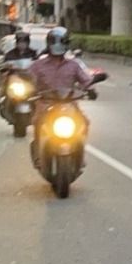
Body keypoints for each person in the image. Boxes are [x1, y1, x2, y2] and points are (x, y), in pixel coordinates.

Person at [28, 28, 93, 167]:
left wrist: (91, 89)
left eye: (61, 42)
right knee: (38, 122)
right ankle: (39, 154)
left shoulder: (73, 65)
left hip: (69, 104)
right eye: (55, 42)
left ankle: (79, 153)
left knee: (85, 122)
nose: (58, 45)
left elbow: (86, 80)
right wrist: (29, 91)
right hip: (45, 103)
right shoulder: (38, 65)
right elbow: (28, 80)